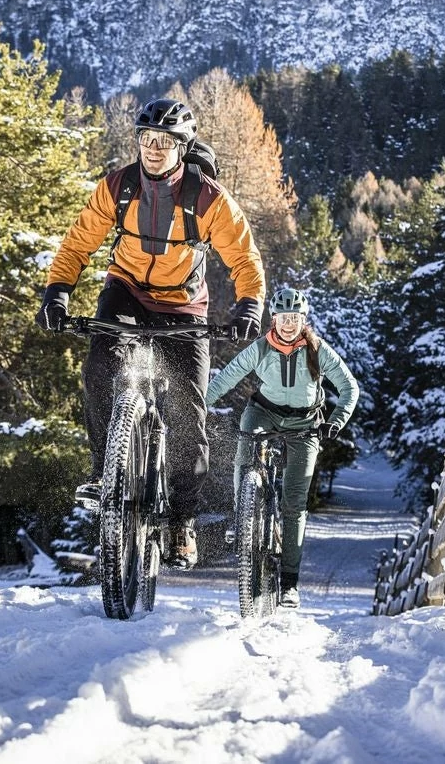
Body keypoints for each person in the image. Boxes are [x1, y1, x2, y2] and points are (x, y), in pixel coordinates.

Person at [36, 98, 266, 569]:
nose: (153, 149)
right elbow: (78, 243)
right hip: (125, 293)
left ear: (182, 147)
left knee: (188, 411)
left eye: (164, 141)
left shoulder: (207, 198)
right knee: (100, 368)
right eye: (146, 139)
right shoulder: (118, 187)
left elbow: (243, 257)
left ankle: (181, 520)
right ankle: (106, 473)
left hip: (184, 306)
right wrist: (57, 293)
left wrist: (249, 305)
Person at [204, 286, 360, 607]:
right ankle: (242, 518)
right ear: (273, 319)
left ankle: (289, 583)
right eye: (283, 318)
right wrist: (201, 405)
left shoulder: (318, 350)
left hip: (306, 424)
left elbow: (349, 387)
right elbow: (228, 376)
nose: (289, 324)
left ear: (303, 320)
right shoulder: (261, 347)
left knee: (294, 502)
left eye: (295, 318)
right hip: (264, 413)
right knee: (245, 450)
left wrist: (335, 421)